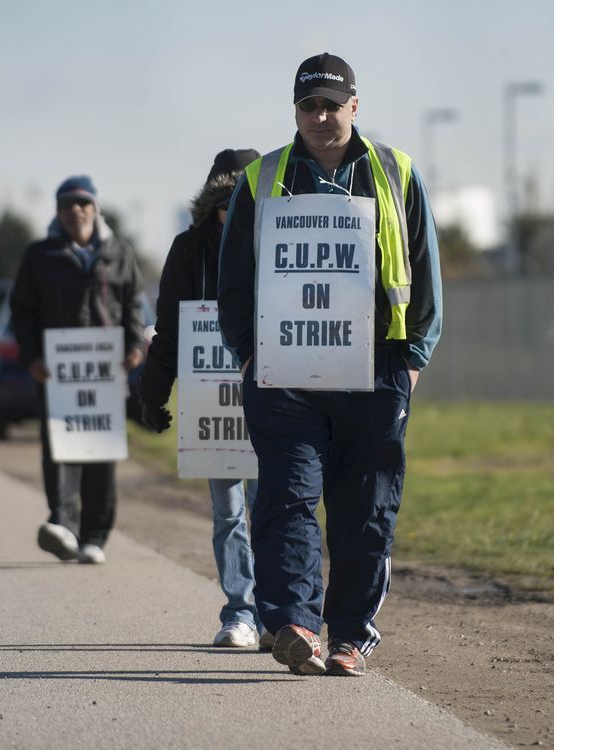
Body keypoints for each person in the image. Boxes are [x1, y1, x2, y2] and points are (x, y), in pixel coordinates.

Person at [218, 53, 443, 676]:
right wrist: (247, 354)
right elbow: (232, 280)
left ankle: (348, 636)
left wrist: (414, 359)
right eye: (308, 106)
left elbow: (424, 273)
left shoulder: (396, 173)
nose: (320, 117)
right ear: (295, 110)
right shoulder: (261, 179)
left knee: (365, 508)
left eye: (331, 105)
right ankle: (295, 623)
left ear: (354, 106)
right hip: (285, 372)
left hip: (376, 373)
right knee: (288, 496)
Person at [139, 149, 269, 649]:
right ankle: (239, 611)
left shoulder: (276, 241)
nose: (234, 213)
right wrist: (152, 392)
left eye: (245, 202)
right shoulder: (187, 250)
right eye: (225, 203)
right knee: (229, 511)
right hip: (212, 400)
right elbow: (169, 328)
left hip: (271, 395)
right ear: (212, 205)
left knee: (272, 508)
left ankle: (277, 612)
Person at [10, 175, 145, 565]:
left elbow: (133, 303)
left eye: (83, 203)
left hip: (106, 372)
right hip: (56, 373)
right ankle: (64, 525)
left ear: (96, 208)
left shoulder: (119, 252)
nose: (76, 210)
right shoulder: (39, 255)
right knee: (60, 451)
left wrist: (135, 346)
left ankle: (95, 536)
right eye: (67, 204)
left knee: (101, 453)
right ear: (57, 212)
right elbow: (22, 311)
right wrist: (31, 357)